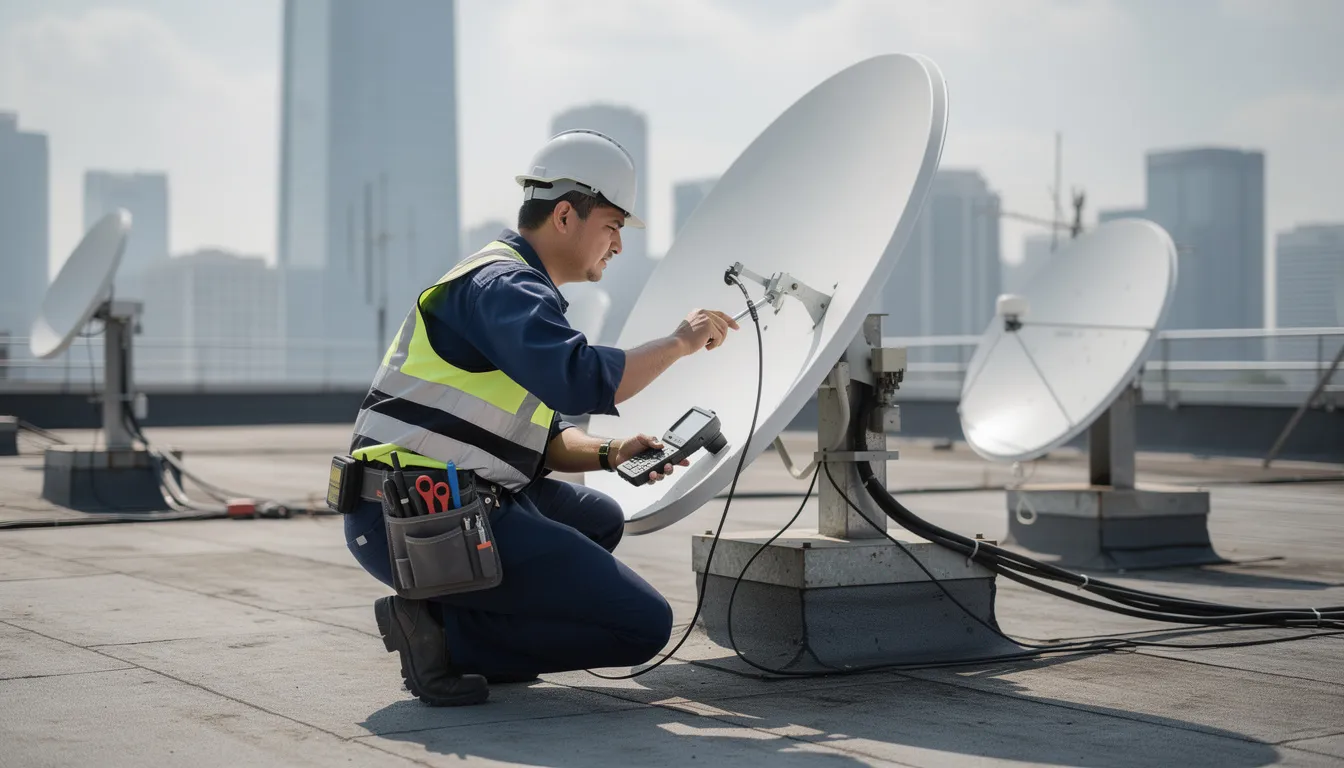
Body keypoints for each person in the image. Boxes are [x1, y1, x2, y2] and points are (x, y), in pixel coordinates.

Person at [342, 129, 740, 707]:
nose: (618, 246)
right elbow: (579, 377)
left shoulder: (516, 290)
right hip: (410, 517)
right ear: (563, 215)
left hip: (440, 502)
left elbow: (545, 433)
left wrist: (611, 452)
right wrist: (680, 342)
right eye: (612, 226)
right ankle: (442, 637)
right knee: (642, 626)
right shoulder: (502, 285)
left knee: (599, 518)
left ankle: (462, 628)